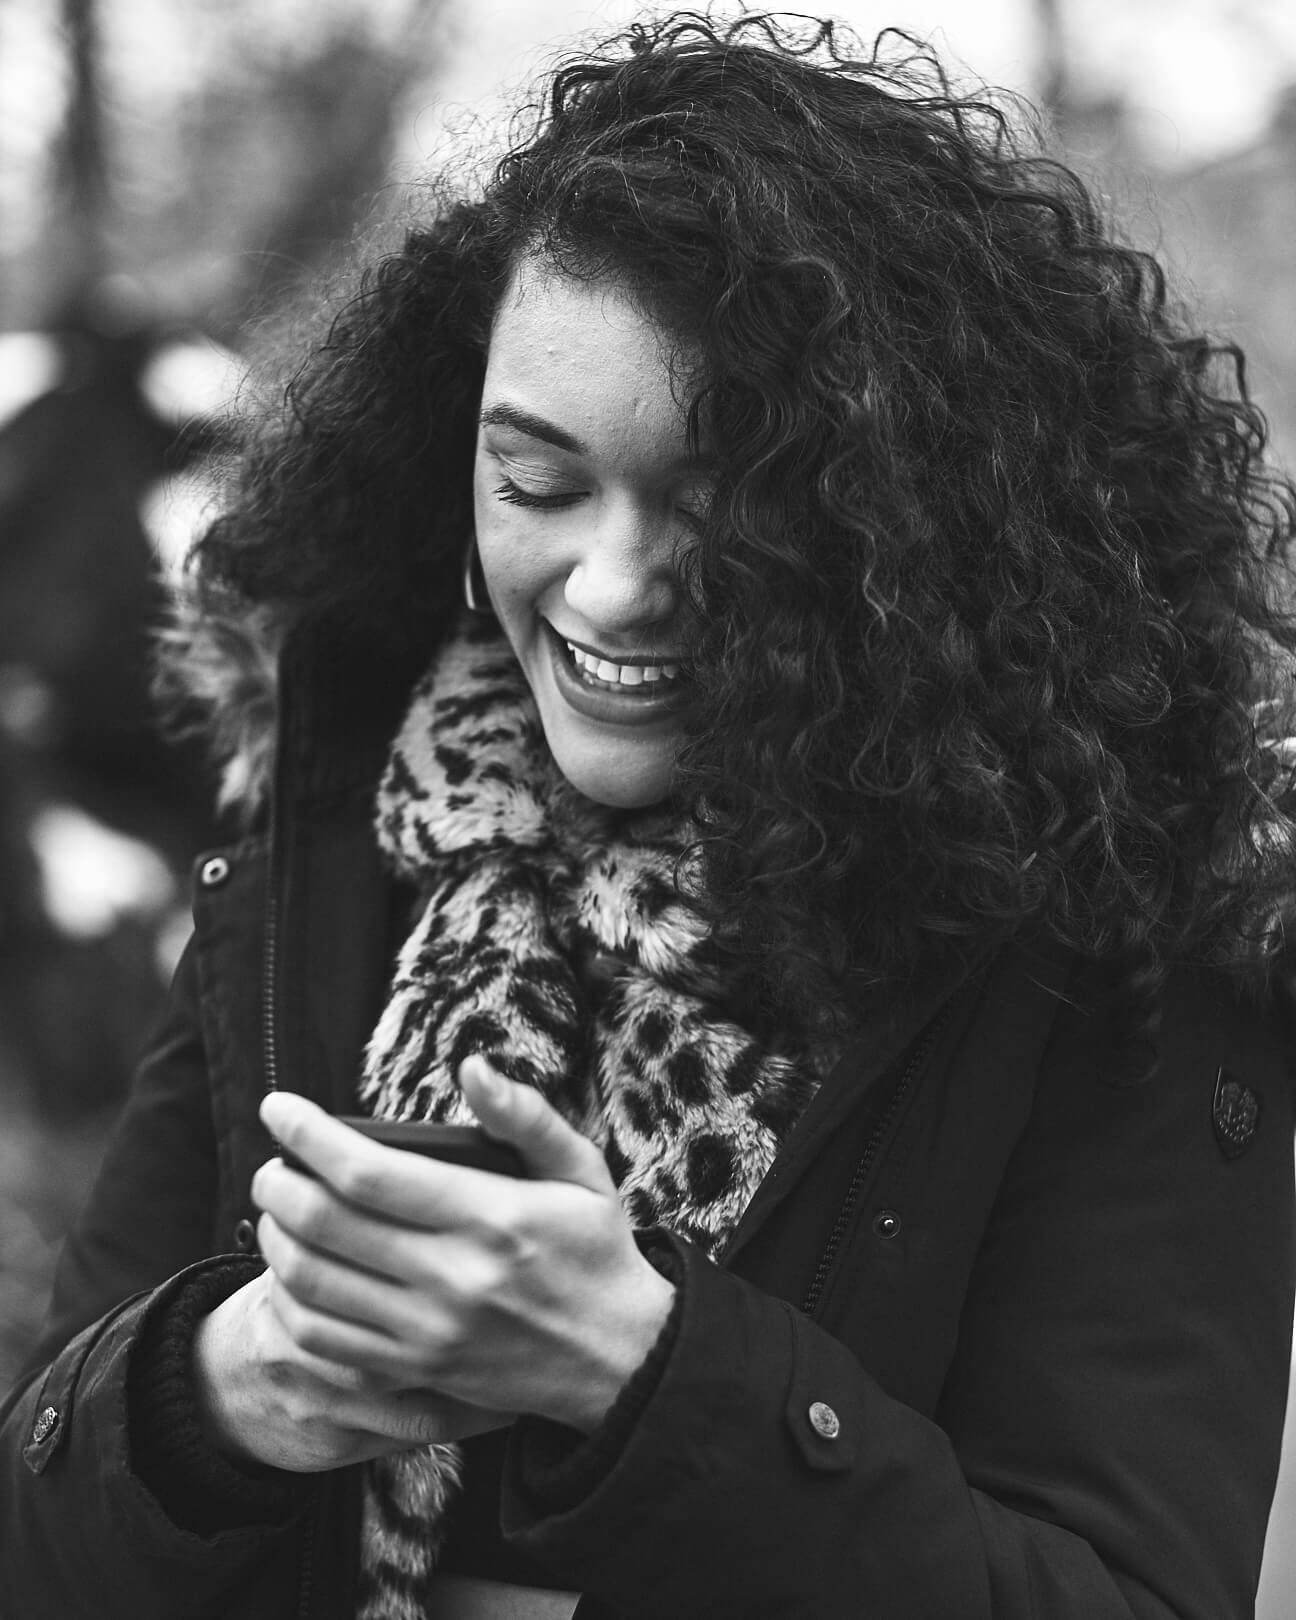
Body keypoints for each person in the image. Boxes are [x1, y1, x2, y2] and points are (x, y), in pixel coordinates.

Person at [3, 11, 1295, 1619]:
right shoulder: (327, 830)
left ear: (899, 525)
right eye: (538, 484)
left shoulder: (1125, 931)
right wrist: (227, 1391)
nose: (613, 587)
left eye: (720, 509)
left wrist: (642, 1372)